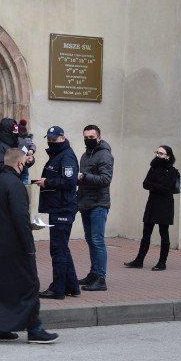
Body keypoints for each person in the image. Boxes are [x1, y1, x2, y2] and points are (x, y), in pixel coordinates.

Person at [0, 148, 58, 344]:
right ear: (20, 164)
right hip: (15, 244)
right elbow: (20, 218)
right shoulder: (15, 185)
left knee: (0, 286)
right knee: (28, 285)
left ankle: (1, 328)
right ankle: (35, 329)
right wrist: (29, 244)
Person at [36, 126, 81, 299]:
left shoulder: (67, 156)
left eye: (54, 139)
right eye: (49, 139)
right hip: (58, 207)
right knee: (62, 248)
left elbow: (69, 182)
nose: (50, 142)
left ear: (63, 138)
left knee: (58, 249)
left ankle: (58, 289)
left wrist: (48, 182)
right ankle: (72, 285)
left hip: (63, 208)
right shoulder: (59, 155)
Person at [125, 145, 180, 271]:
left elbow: (166, 188)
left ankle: (162, 262)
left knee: (163, 233)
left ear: (168, 156)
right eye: (157, 153)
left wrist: (153, 185)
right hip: (152, 203)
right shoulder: (153, 168)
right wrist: (157, 186)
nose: (158, 155)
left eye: (161, 154)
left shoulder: (171, 171)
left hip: (165, 205)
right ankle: (139, 261)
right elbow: (145, 184)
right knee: (146, 233)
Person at [77, 124, 114, 292]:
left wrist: (84, 177)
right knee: (91, 240)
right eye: (86, 137)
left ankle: (101, 279)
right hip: (86, 203)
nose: (88, 140)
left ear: (99, 138)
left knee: (98, 241)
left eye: (91, 137)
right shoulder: (85, 155)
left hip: (99, 203)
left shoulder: (105, 155)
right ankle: (93, 273)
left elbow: (105, 180)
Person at [0, 117, 34, 184]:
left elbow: (25, 160)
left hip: (15, 181)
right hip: (0, 183)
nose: (15, 132)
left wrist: (29, 160)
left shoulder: (20, 142)